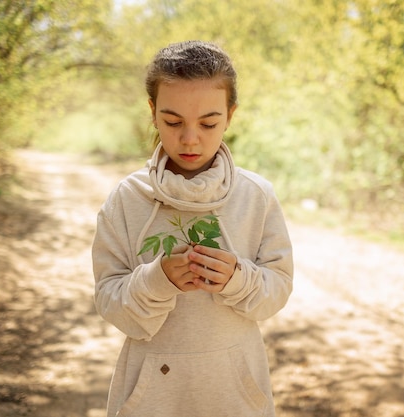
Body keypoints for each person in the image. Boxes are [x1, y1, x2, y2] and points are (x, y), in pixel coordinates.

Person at [91, 40, 294, 417]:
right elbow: (108, 300)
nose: (189, 138)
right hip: (151, 400)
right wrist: (156, 280)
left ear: (230, 115)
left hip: (235, 398)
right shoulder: (126, 199)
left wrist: (237, 278)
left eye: (208, 123)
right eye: (173, 121)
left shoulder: (256, 196)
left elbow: (277, 289)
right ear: (152, 113)